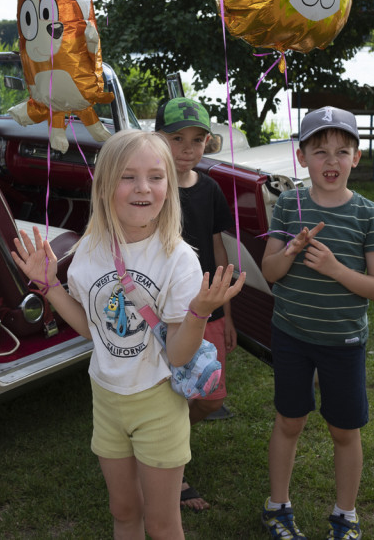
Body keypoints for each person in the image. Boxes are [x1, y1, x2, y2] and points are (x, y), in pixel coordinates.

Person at [11, 129, 246, 539]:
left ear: (169, 187)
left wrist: (197, 314)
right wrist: (50, 287)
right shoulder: (88, 251)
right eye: (128, 176)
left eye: (156, 177)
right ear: (104, 187)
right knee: (123, 511)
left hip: (157, 402)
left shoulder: (179, 260)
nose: (143, 188)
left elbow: (176, 355)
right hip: (106, 399)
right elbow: (94, 330)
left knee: (161, 521)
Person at [259, 107, 374, 540]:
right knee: (289, 421)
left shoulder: (369, 214)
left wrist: (336, 270)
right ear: (301, 157)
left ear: (356, 157)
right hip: (292, 335)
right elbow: (271, 273)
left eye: (342, 151)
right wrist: (292, 250)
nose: (331, 161)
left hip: (344, 341)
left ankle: (345, 515)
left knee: (343, 429)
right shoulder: (288, 206)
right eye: (320, 151)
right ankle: (277, 508)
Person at [155, 97, 237, 512]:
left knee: (211, 397)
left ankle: (164, 439)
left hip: (210, 310)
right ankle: (174, 471)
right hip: (166, 312)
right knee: (170, 392)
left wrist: (229, 313)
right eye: (177, 139)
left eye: (198, 140)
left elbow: (219, 250)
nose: (188, 149)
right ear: (158, 140)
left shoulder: (211, 189)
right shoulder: (152, 189)